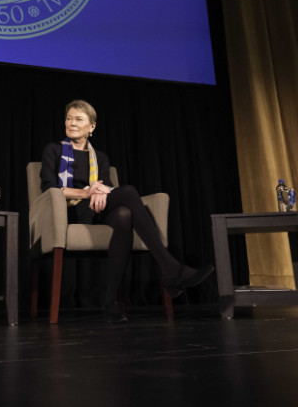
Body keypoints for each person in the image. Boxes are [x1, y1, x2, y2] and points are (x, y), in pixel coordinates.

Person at [40, 99, 213, 322]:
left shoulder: (100, 157)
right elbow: (49, 189)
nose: (71, 123)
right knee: (129, 193)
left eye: (78, 119)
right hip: (69, 211)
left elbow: (107, 185)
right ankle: (170, 269)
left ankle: (109, 301)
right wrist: (87, 192)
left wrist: (101, 191)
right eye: (68, 118)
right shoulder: (53, 150)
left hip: (97, 208)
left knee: (124, 214)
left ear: (92, 126)